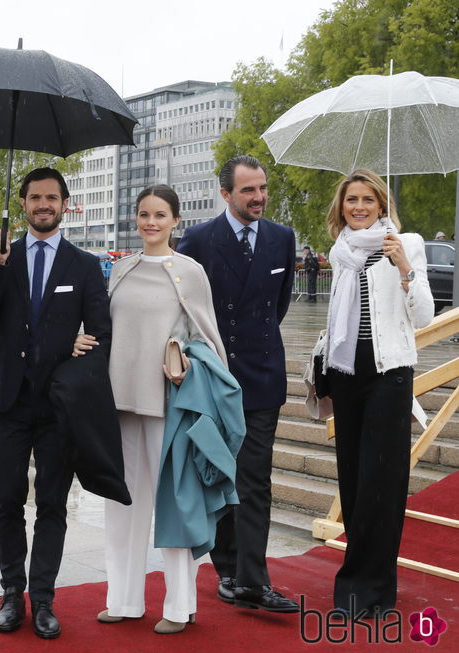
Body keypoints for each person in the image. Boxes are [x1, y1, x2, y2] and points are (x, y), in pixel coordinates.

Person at [74, 185, 232, 634]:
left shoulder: (191, 272)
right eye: (144, 214)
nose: (151, 222)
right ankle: (123, 599)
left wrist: (184, 357)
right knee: (121, 503)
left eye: (160, 215)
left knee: (174, 504)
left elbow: (208, 340)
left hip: (169, 405)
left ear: (175, 221)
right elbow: (103, 329)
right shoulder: (119, 270)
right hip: (119, 403)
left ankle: (180, 606)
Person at [0, 167, 111, 639]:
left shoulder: (84, 266)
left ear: (65, 204)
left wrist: (72, 351)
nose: (43, 204)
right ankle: (12, 593)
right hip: (9, 402)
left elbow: (100, 334)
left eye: (51, 197)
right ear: (24, 204)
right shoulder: (5, 257)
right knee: (6, 499)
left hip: (57, 406)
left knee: (51, 503)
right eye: (35, 197)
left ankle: (44, 599)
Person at [177, 155, 299, 613]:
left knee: (254, 478)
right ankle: (227, 567)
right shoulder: (201, 239)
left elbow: (278, 304)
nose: (259, 197)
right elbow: (184, 302)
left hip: (263, 376)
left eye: (263, 188)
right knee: (221, 474)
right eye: (248, 190)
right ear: (225, 194)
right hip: (215, 378)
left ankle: (251, 578)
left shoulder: (282, 238)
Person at [320, 169, 434, 616]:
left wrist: (404, 267)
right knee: (351, 476)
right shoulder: (340, 251)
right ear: (342, 206)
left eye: (369, 199)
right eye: (352, 200)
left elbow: (422, 315)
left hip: (390, 374)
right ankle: (352, 583)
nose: (360, 207)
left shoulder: (409, 244)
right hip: (347, 373)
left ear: (382, 205)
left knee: (382, 482)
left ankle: (376, 588)